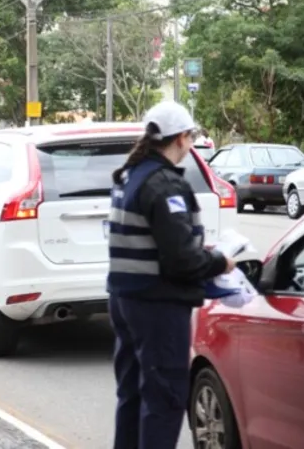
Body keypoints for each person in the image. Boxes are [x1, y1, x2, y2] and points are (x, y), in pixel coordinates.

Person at [106, 101, 236, 449]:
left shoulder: (131, 176)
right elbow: (181, 260)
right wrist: (219, 262)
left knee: (132, 396)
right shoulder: (163, 184)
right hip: (157, 305)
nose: (191, 143)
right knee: (164, 400)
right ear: (180, 138)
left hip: (125, 300)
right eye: (191, 137)